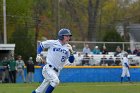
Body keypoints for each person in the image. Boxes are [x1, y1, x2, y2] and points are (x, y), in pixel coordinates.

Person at [32, 28, 75, 93]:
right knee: (55, 81)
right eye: (67, 36)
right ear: (61, 36)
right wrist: (38, 54)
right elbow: (41, 45)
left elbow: (71, 61)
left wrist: (71, 52)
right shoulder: (53, 43)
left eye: (69, 36)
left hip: (57, 72)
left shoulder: (68, 47)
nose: (68, 38)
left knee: (39, 91)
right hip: (48, 68)